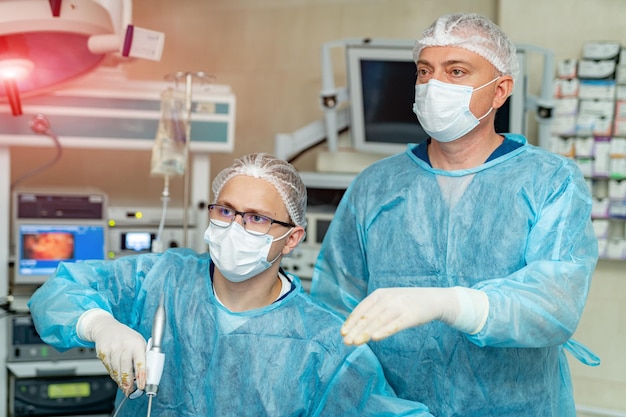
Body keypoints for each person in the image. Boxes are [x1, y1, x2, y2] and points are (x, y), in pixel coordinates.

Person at [310, 13, 599, 417]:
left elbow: (554, 303)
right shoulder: (375, 186)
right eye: (425, 71)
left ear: (500, 91)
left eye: (457, 71)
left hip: (515, 405)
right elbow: (334, 311)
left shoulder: (550, 181)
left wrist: (452, 303)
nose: (434, 85)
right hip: (393, 407)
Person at [28, 153, 432, 417]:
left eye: (256, 218)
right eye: (225, 211)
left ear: (292, 238)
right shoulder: (162, 281)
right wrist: (100, 324)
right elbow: (58, 292)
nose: (235, 227)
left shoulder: (323, 343)